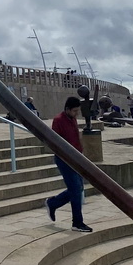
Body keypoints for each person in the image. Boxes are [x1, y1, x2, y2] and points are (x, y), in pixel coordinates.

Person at [45, 96, 93, 233]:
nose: (76, 113)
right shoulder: (58, 120)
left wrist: (81, 153)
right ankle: (77, 222)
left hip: (76, 158)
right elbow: (55, 141)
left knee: (78, 189)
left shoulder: (73, 119)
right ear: (67, 109)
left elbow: (75, 138)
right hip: (64, 160)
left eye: (78, 111)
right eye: (75, 111)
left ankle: (52, 203)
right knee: (76, 189)